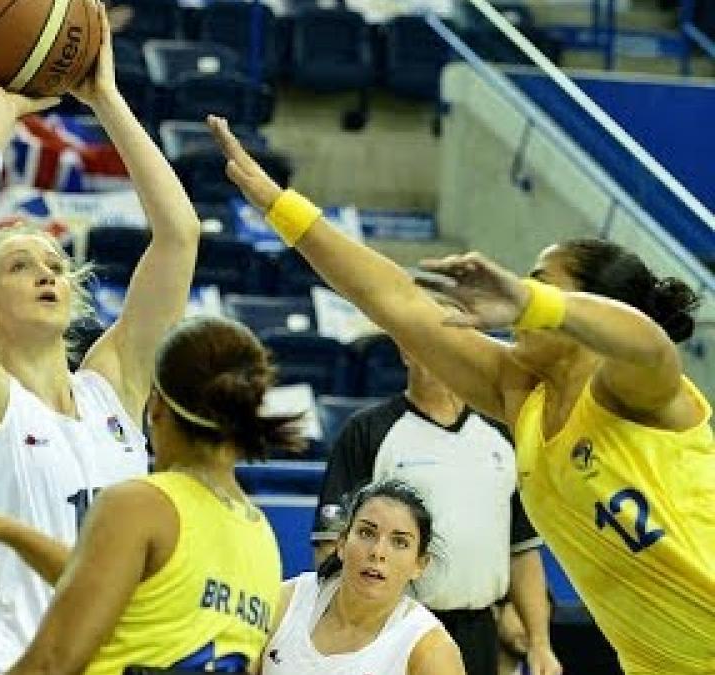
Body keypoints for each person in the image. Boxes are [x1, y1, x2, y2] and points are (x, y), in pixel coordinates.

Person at [207, 115, 715, 674]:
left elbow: (649, 344)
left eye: (543, 281)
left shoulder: (634, 391)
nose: (522, 293)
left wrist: (529, 301)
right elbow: (392, 299)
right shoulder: (521, 394)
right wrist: (277, 203)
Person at [0, 6, 203, 674]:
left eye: (53, 264)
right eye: (20, 266)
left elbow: (179, 235)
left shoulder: (111, 386)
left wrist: (105, 98)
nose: (45, 274)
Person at [0, 314, 307, 674]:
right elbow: (129, 598)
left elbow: (51, 662)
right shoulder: (261, 537)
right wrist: (10, 532)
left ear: (156, 407)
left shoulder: (140, 505)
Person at [313, 349, 560, 675]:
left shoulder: (501, 436)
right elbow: (333, 545)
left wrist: (540, 643)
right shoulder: (369, 430)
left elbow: (523, 551)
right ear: (404, 350)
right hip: (393, 626)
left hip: (479, 629)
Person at [263, 479, 466, 675]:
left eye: (399, 542)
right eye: (366, 533)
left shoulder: (430, 650)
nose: (378, 552)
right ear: (341, 544)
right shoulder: (284, 603)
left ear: (419, 565)